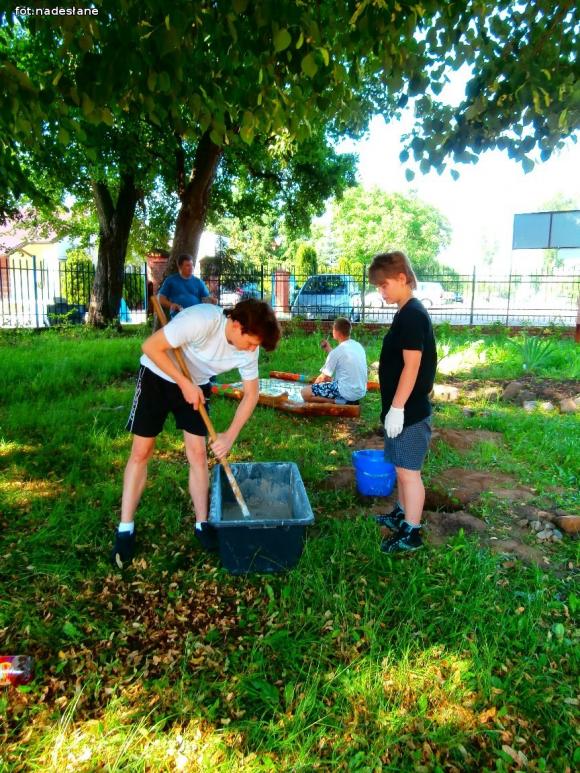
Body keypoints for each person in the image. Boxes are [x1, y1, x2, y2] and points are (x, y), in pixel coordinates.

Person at [111, 299, 281, 568]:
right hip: (157, 374)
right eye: (251, 342)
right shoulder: (202, 320)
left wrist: (229, 435)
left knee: (198, 454)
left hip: (196, 384)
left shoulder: (249, 349)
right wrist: (183, 383)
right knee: (141, 452)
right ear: (236, 325)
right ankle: (125, 528)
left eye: (256, 346)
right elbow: (150, 346)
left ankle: (202, 524)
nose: (252, 350)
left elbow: (251, 394)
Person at [368, 251, 436, 554]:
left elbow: (412, 366)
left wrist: (397, 408)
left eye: (384, 285)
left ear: (401, 278)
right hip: (400, 410)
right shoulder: (405, 311)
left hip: (409, 412)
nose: (381, 291)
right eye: (378, 287)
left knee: (410, 472)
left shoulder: (412, 314)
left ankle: (413, 531)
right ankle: (401, 513)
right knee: (399, 467)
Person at [300, 317, 367, 405]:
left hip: (346, 392)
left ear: (337, 332)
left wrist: (313, 388)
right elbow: (341, 357)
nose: (332, 331)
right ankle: (345, 399)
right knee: (332, 380)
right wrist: (328, 348)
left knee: (305, 392)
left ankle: (337, 402)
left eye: (333, 329)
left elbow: (323, 378)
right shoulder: (358, 346)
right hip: (360, 391)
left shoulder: (337, 352)